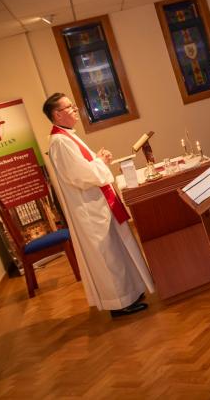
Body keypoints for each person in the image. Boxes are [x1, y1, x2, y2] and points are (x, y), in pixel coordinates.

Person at [43, 93, 154, 318]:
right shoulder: (60, 142)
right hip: (89, 209)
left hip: (97, 203)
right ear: (57, 114)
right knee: (108, 256)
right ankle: (119, 304)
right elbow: (79, 175)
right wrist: (100, 162)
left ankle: (129, 293)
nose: (75, 109)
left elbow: (84, 166)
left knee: (117, 250)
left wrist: (97, 159)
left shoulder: (67, 137)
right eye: (69, 107)